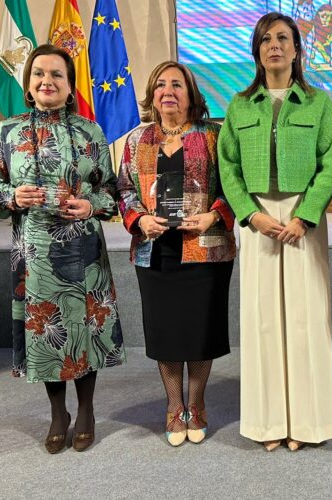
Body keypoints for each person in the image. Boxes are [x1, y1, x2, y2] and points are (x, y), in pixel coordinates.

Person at [0, 44, 125, 453]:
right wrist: (13, 196)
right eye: (39, 74)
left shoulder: (90, 132)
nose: (47, 81)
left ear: (69, 85)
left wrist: (90, 204)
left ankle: (86, 411)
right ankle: (57, 412)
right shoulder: (6, 132)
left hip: (83, 250)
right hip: (35, 252)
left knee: (84, 327)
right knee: (45, 332)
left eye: (57, 75)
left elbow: (112, 191)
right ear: (29, 84)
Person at [218, 12, 332, 452]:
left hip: (302, 218)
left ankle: (307, 424)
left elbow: (331, 165)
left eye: (283, 38)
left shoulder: (319, 103)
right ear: (256, 50)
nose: (275, 45)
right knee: (263, 320)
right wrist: (251, 216)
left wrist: (304, 216)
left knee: (306, 319)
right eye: (266, 39)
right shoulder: (238, 105)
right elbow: (227, 167)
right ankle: (268, 423)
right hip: (258, 220)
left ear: (296, 49)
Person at [117, 61, 236, 447]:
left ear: (191, 94)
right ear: (152, 95)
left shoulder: (215, 137)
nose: (168, 91)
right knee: (166, 333)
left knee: (201, 331)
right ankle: (173, 406)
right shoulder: (137, 141)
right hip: (154, 250)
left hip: (204, 247)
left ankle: (197, 405)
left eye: (177, 85)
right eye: (161, 85)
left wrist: (213, 216)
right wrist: (138, 220)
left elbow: (235, 186)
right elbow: (123, 190)